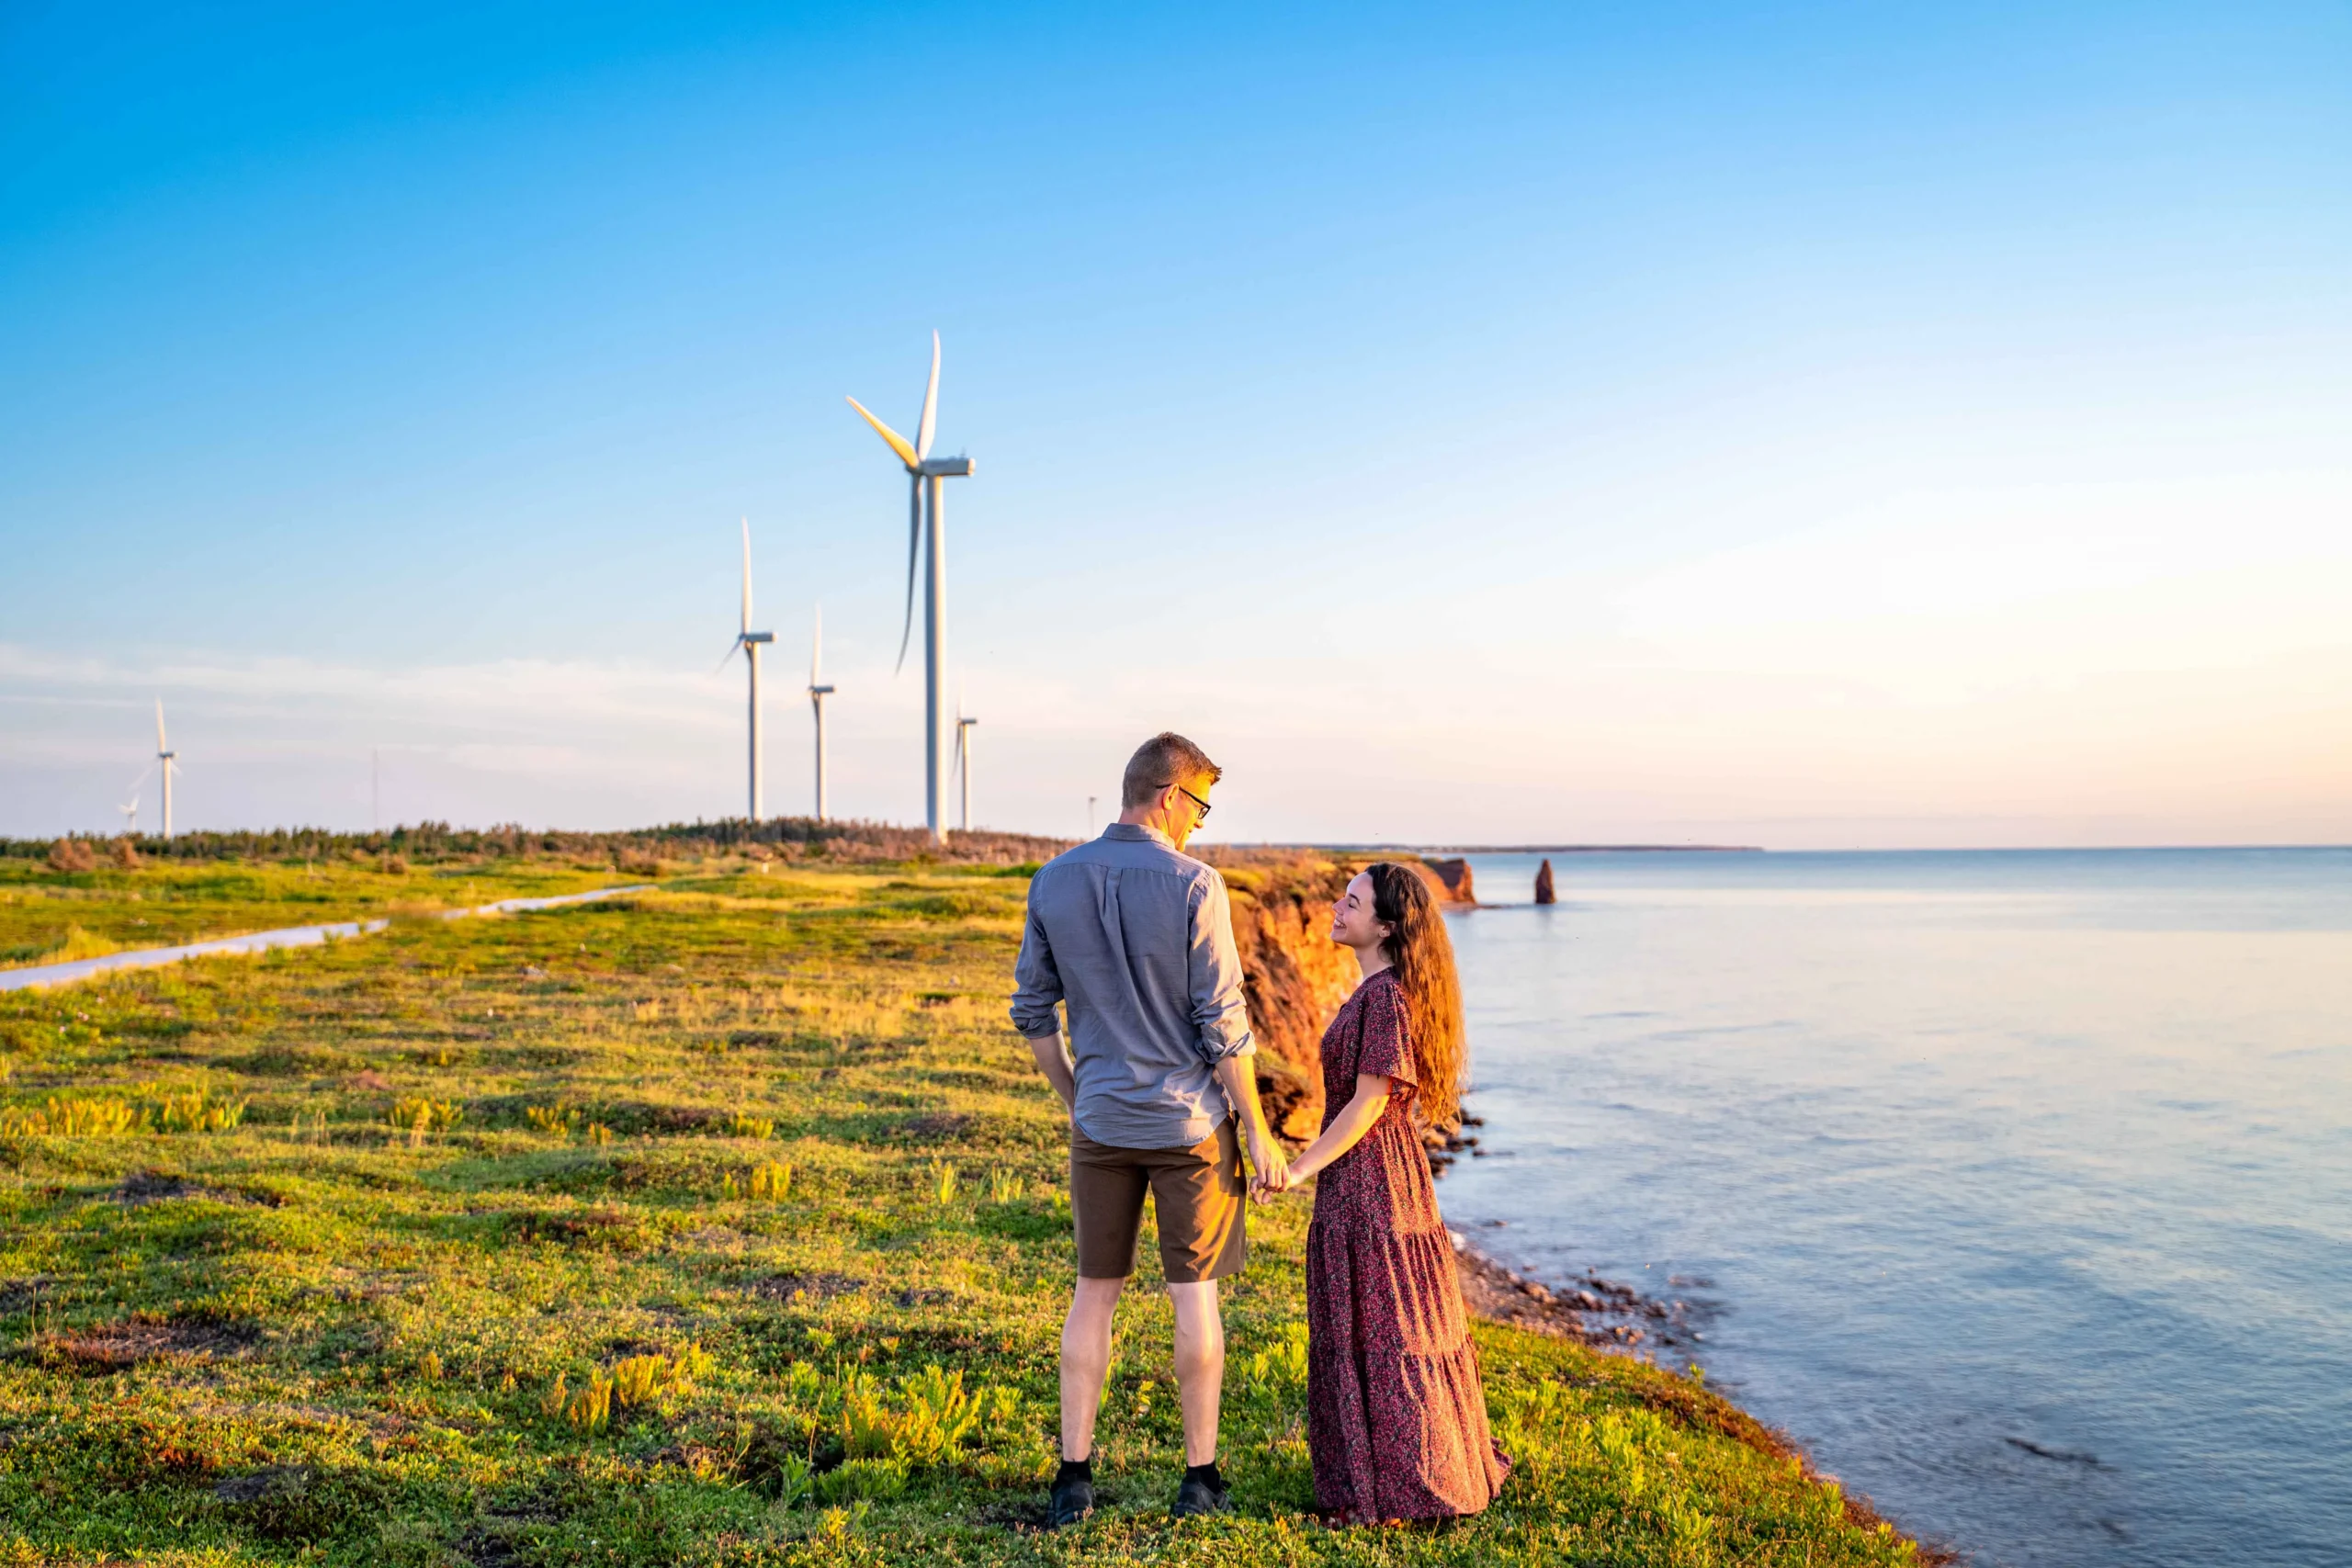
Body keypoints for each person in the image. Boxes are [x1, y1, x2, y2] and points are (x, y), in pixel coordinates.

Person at [1010, 731, 1290, 1528]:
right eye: (1198, 801)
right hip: (1189, 1128)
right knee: (1192, 1297)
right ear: (1168, 795)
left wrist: (1077, 1094)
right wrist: (1259, 1131)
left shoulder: (1052, 880)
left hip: (1100, 1120)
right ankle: (1199, 1477)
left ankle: (1072, 1477)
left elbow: (1033, 1011)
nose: (1200, 819)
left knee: (1092, 1294)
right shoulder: (1198, 887)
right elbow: (1223, 1026)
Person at [1258, 862, 1510, 1525]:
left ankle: (1406, 1484)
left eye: (1352, 902)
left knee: (1384, 1327)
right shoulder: (1382, 990)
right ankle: (1406, 1473)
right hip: (1382, 1177)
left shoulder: (1383, 998)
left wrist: (1300, 1165)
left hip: (1372, 1182)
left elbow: (1370, 1102)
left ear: (1387, 926)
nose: (1337, 909)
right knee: (1386, 1325)